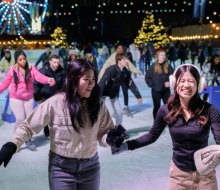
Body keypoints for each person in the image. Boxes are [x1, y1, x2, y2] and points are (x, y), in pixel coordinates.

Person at [0, 59, 125, 190]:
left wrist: (110, 138)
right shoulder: (55, 103)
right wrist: (12, 145)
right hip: (61, 169)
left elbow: (103, 133)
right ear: (73, 78)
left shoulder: (97, 105)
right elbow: (28, 126)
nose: (91, 84)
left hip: (91, 167)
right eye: (87, 79)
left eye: (93, 79)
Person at [112, 64, 220, 190]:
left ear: (199, 84)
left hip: (205, 175)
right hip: (179, 176)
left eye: (191, 81)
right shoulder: (165, 110)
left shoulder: (209, 110)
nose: (186, 85)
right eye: (182, 80)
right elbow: (152, 135)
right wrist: (126, 146)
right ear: (174, 83)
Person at [0, 50, 55, 150]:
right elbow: (4, 84)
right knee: (20, 119)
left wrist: (48, 79)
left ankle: (28, 139)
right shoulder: (12, 70)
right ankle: (15, 142)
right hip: (16, 98)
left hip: (28, 98)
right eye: (20, 59)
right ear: (16, 60)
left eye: (24, 59)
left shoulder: (31, 69)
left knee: (29, 120)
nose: (23, 61)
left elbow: (39, 77)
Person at [99, 52, 142, 126]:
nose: (127, 61)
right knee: (111, 113)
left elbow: (130, 84)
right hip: (105, 96)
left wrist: (138, 96)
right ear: (119, 61)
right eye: (125, 59)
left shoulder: (125, 71)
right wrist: (97, 97)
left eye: (127, 59)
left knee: (120, 113)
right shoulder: (111, 69)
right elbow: (102, 82)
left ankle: (118, 130)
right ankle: (106, 130)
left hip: (114, 96)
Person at [34, 54, 65, 137]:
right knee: (46, 116)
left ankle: (55, 131)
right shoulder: (43, 71)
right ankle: (46, 128)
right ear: (50, 62)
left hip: (56, 98)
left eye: (58, 62)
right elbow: (36, 85)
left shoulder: (62, 72)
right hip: (45, 97)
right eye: (54, 62)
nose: (56, 64)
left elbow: (64, 85)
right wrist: (38, 99)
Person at [145, 49, 174, 119]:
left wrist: (170, 83)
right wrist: (153, 86)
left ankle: (169, 120)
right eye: (161, 55)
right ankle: (156, 122)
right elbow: (147, 78)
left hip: (166, 91)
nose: (163, 56)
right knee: (157, 107)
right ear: (158, 57)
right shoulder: (152, 67)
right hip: (156, 92)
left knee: (168, 106)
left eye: (164, 55)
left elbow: (173, 77)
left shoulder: (168, 66)